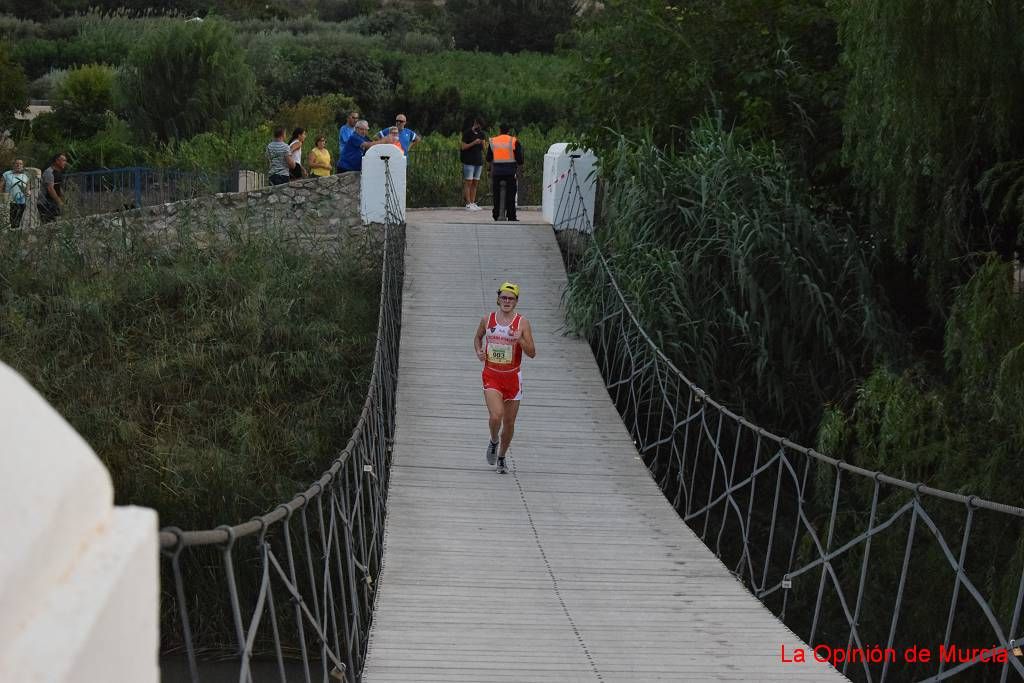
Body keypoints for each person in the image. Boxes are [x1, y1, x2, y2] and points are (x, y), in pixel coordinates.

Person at [473, 282, 536, 474]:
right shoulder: (487, 319)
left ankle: (501, 456)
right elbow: (477, 338)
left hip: (513, 378)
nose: (507, 301)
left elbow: (532, 352)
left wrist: (520, 340)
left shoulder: (522, 323)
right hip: (491, 375)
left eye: (511, 298)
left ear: (516, 301)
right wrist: (479, 352)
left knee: (508, 423)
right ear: (498, 298)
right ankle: (493, 440)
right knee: (496, 415)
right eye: (504, 297)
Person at [486, 124, 523, 222]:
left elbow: (488, 158)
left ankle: (496, 214)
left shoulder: (493, 141)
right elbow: (520, 159)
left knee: (496, 195)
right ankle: (511, 216)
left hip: (497, 173)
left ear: (499, 130)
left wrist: (490, 170)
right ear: (508, 131)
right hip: (510, 173)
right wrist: (519, 172)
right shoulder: (514, 141)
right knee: (511, 196)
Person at [460, 117, 486, 211]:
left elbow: (484, 148)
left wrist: (483, 144)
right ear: (475, 123)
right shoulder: (467, 133)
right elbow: (463, 147)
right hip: (468, 161)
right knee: (468, 182)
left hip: (478, 161)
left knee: (475, 182)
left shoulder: (482, 134)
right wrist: (474, 142)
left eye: (481, 126)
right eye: (478, 125)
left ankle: (473, 202)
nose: (479, 127)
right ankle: (468, 203)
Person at [38, 152, 68, 223]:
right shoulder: (49, 172)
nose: (65, 163)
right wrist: (59, 202)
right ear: (57, 161)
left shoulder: (58, 173)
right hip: (46, 204)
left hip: (53, 203)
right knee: (49, 225)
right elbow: (50, 189)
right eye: (63, 160)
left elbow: (58, 188)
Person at [1, 159, 30, 228]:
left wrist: (27, 193)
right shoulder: (7, 174)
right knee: (10, 221)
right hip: (9, 201)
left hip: (22, 201)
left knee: (18, 221)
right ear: (13, 165)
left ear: (22, 166)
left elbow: (27, 188)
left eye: (20, 164)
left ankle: (15, 235)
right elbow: (1, 186)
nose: (18, 165)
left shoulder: (25, 176)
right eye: (16, 163)